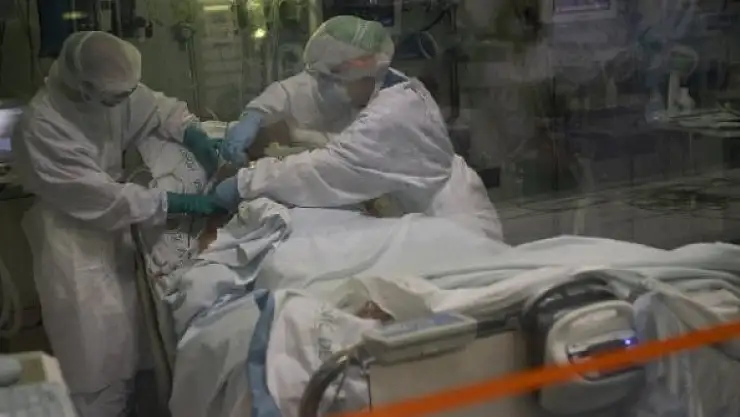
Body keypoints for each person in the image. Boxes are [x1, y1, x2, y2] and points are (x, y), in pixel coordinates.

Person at [12, 31, 223, 417]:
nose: (123, 103)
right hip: (72, 242)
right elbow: (105, 198)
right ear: (85, 87)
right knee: (93, 357)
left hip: (117, 232)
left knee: (134, 345)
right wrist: (175, 201)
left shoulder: (113, 92)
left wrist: (191, 131)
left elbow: (157, 108)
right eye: (115, 98)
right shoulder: (42, 126)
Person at [216, 15, 503, 240]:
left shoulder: (390, 117)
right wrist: (256, 113)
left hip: (456, 230)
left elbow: (326, 170)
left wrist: (245, 183)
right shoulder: (389, 83)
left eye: (329, 80)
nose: (320, 86)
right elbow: (302, 87)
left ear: (359, 73)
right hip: (432, 215)